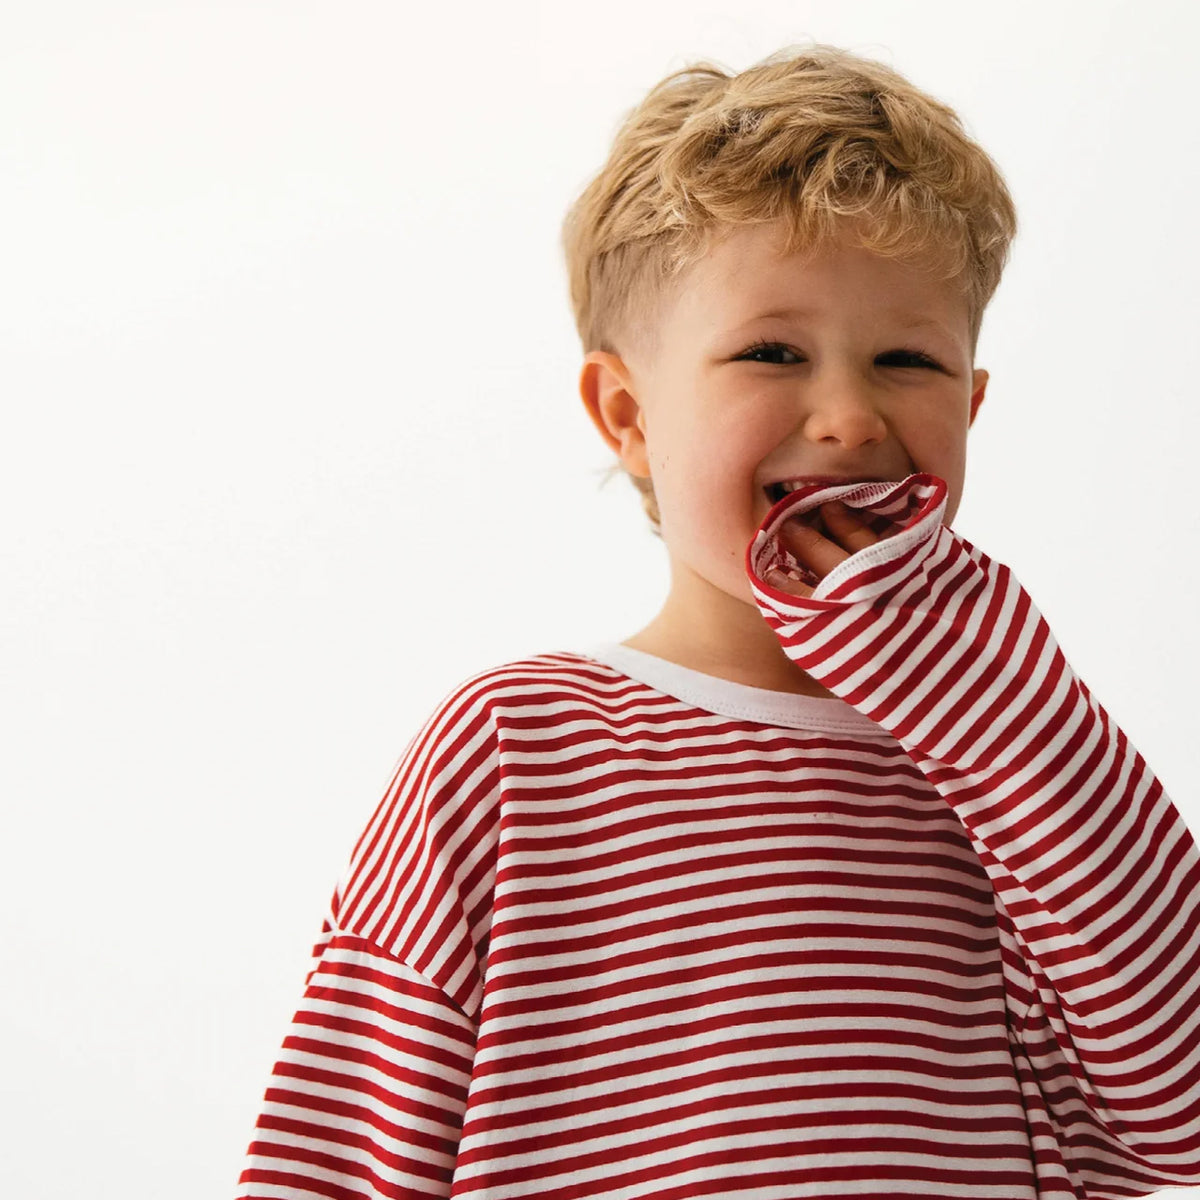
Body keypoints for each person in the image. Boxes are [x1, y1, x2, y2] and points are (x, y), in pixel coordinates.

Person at [236, 43, 1200, 1198]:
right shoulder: (514, 750)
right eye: (771, 352)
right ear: (630, 413)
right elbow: (337, 1155)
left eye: (908, 359)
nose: (847, 418)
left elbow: (1179, 1116)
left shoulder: (1012, 773)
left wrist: (985, 691)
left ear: (973, 408)